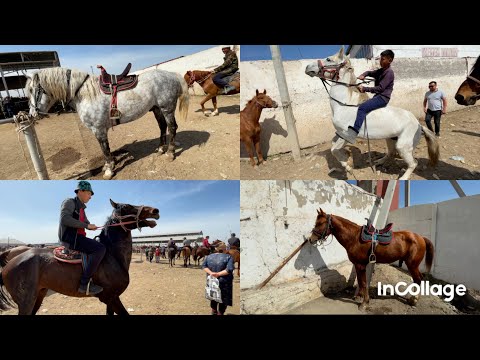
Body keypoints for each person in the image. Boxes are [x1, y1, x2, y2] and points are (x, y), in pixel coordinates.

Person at [336, 49, 396, 144]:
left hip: (383, 98)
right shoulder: (381, 71)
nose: (380, 61)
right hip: (377, 96)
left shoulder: (389, 73)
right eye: (380, 59)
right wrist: (363, 75)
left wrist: (365, 89)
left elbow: (380, 88)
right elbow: (369, 72)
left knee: (362, 108)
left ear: (390, 60)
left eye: (383, 59)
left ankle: (353, 134)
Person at [58, 180, 105, 295]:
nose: (90, 197)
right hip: (71, 239)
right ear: (80, 191)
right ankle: (84, 284)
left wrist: (92, 226)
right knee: (100, 249)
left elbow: (86, 222)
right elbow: (65, 219)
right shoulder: (69, 202)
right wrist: (87, 225)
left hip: (78, 237)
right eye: (89, 193)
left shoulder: (82, 209)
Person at [202, 248, 234, 315]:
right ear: (224, 249)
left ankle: (214, 311)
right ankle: (220, 313)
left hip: (212, 280)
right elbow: (229, 269)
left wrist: (211, 273)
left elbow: (204, 266)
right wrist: (218, 274)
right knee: (223, 298)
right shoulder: (228, 256)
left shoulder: (208, 256)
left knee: (213, 296)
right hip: (224, 282)